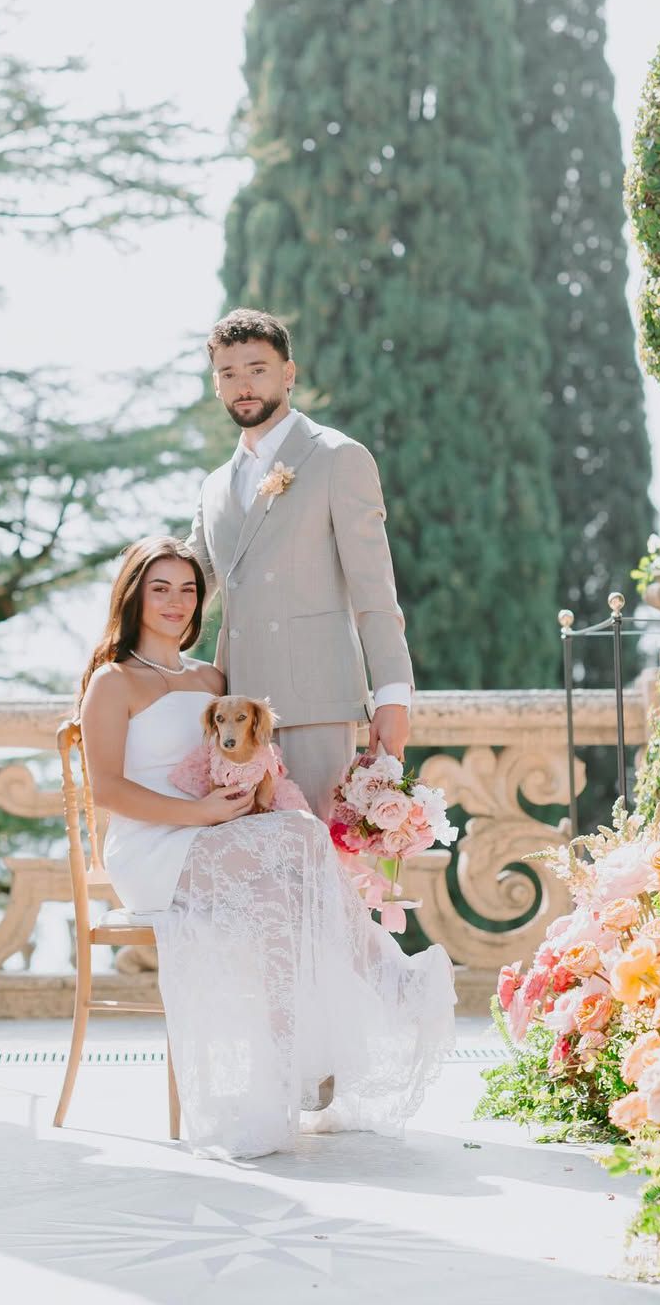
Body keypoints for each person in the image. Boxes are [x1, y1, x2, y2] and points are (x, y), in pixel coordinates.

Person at [80, 536, 455, 1160]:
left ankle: (286, 1085)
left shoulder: (211, 677)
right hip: (154, 849)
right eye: (160, 588)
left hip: (218, 838)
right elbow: (107, 789)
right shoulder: (112, 683)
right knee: (303, 836)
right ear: (134, 596)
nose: (176, 602)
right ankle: (388, 976)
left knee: (284, 908)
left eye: (188, 589)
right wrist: (195, 813)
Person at [187, 307, 415, 823]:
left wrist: (393, 696)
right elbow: (189, 586)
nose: (243, 385)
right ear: (216, 385)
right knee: (254, 882)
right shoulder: (215, 485)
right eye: (229, 374)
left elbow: (374, 588)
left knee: (321, 874)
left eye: (257, 369)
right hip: (238, 718)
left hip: (317, 704)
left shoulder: (337, 457)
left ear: (288, 374)